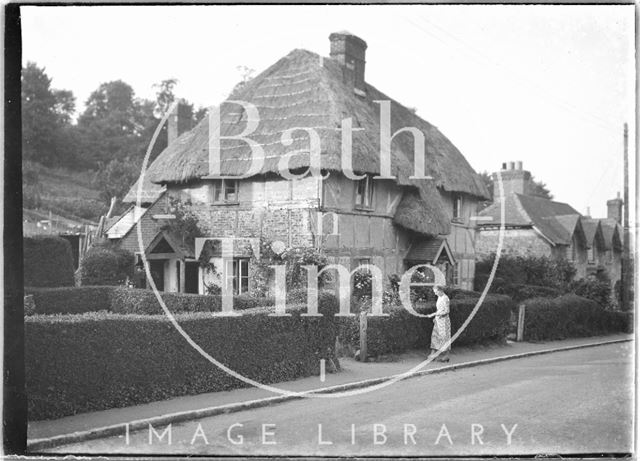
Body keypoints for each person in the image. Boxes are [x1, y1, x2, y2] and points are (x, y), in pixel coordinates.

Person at [427, 285, 451, 362]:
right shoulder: (439, 297)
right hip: (438, 320)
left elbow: (447, 311)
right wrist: (435, 317)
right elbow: (439, 310)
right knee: (435, 336)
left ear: (440, 290)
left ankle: (446, 355)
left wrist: (436, 315)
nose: (435, 293)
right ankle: (433, 354)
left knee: (444, 338)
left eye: (436, 292)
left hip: (444, 321)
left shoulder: (445, 298)